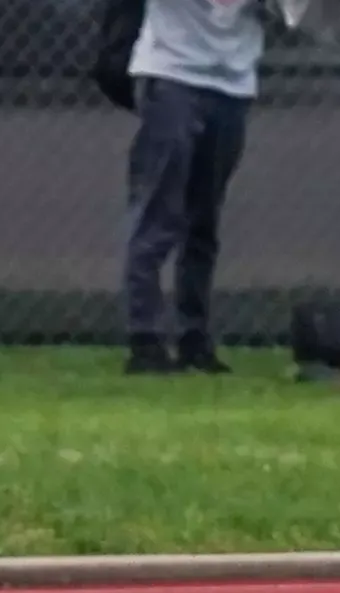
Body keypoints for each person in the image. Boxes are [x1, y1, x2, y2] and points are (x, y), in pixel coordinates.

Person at [117, 0, 267, 375]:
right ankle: (146, 339)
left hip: (232, 85)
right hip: (172, 77)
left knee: (203, 221)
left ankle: (193, 337)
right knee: (158, 214)